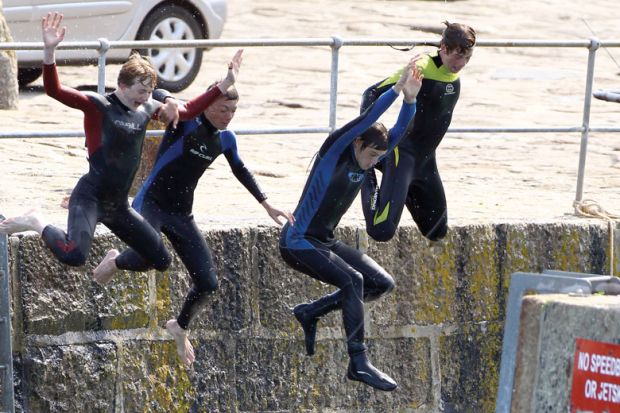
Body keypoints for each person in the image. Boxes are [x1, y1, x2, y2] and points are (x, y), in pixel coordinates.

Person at [0, 12, 241, 273]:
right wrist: (49, 52)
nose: (146, 97)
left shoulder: (148, 108)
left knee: (161, 259)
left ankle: (112, 262)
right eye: (141, 91)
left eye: (149, 92)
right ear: (123, 86)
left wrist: (224, 84)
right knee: (74, 255)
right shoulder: (97, 106)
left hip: (119, 205)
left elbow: (188, 112)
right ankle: (36, 221)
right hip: (90, 196)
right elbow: (54, 90)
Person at [92, 74, 294, 366]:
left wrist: (267, 204)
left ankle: (180, 326)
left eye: (234, 111)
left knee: (208, 284)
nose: (228, 117)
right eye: (224, 109)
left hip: (181, 214)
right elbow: (160, 91)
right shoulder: (185, 120)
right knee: (150, 256)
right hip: (151, 203)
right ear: (210, 102)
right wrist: (172, 101)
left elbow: (241, 170)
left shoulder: (226, 138)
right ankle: (115, 260)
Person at [279, 59, 423, 391]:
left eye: (378, 158)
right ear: (357, 143)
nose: (374, 163)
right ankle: (358, 362)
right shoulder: (337, 151)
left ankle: (310, 311)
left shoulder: (370, 155)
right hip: (297, 240)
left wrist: (411, 101)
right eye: (371, 155)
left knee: (380, 283)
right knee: (352, 280)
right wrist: (398, 88)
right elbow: (369, 118)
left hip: (324, 241)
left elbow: (397, 133)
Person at [359, 21, 476, 242]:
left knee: (436, 231)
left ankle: (398, 189)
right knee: (380, 231)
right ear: (443, 48)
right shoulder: (420, 66)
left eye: (467, 58)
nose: (461, 64)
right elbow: (371, 93)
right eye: (457, 57)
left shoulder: (452, 67)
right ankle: (365, 171)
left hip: (426, 160)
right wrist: (365, 134)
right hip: (402, 154)